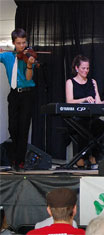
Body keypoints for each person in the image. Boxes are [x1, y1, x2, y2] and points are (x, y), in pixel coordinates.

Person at [65, 55, 104, 169]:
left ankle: (93, 155)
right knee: (83, 127)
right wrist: (84, 99)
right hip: (76, 118)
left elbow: (97, 102)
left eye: (87, 68)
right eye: (83, 68)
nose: (86, 70)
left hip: (91, 117)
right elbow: (69, 101)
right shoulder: (70, 82)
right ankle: (81, 157)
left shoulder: (92, 82)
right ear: (77, 68)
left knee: (101, 127)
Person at [0, 28, 36, 171]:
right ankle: (15, 157)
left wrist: (29, 64)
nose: (22, 46)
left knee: (23, 128)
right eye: (19, 43)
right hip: (14, 94)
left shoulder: (29, 56)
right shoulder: (8, 56)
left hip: (27, 95)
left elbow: (28, 77)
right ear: (14, 43)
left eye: (24, 42)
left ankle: (19, 162)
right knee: (12, 127)